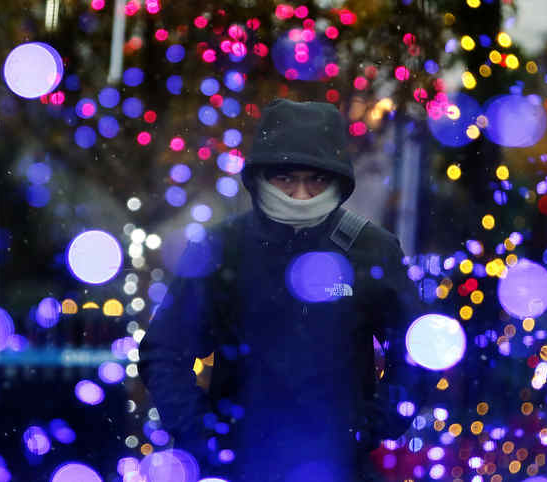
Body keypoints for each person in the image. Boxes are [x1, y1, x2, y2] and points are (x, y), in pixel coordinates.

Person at [138, 99, 434, 481]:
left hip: (338, 466)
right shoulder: (223, 248)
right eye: (286, 178)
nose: (300, 194)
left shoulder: (369, 248)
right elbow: (164, 351)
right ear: (263, 177)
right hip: (239, 465)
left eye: (316, 180)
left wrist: (369, 426)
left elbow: (417, 350)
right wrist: (205, 435)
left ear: (335, 180)